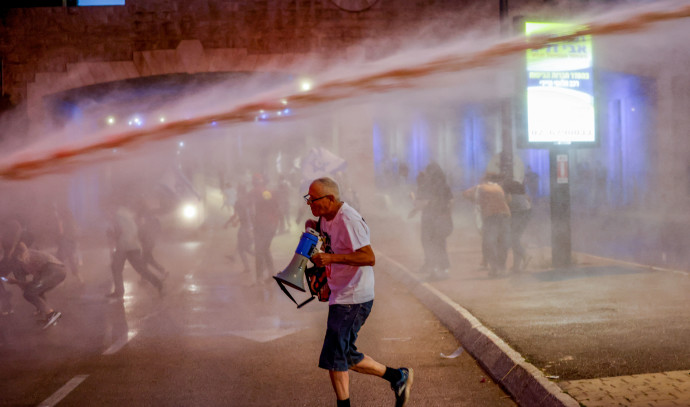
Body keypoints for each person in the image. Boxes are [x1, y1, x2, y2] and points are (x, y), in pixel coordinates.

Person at [305, 177, 413, 407]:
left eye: (313, 199)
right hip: (340, 294)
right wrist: (313, 231)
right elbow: (331, 243)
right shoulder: (325, 218)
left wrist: (331, 258)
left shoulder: (349, 220)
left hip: (354, 298)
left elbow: (368, 257)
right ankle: (398, 377)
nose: (309, 203)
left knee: (336, 356)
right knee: (343, 354)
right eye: (308, 198)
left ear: (330, 198)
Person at [2, 239, 66, 329]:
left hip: (53, 271)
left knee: (29, 293)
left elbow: (30, 285)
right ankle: (46, 314)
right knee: (35, 290)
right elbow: (34, 284)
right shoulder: (28, 255)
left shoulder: (25, 258)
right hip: (58, 271)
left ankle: (52, 314)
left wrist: (15, 282)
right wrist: (16, 282)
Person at [105, 203, 164, 299]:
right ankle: (158, 283)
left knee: (116, 268)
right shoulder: (127, 216)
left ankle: (119, 292)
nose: (107, 213)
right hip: (134, 245)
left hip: (123, 246)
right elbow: (136, 229)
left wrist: (112, 236)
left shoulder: (116, 217)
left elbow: (118, 231)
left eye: (107, 210)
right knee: (141, 269)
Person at [408, 162, 453, 280]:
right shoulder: (445, 185)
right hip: (442, 217)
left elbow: (423, 202)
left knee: (429, 242)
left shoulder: (427, 186)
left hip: (429, 219)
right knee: (440, 243)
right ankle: (443, 268)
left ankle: (434, 268)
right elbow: (450, 202)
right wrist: (447, 215)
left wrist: (416, 206)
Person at [462, 173, 511, 276]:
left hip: (491, 216)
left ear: (485, 179)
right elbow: (509, 199)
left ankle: (494, 268)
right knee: (502, 242)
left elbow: (466, 193)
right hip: (505, 215)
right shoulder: (499, 187)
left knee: (489, 242)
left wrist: (477, 201)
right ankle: (502, 268)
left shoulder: (480, 187)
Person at [503, 180, 532, 272]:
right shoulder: (523, 196)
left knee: (512, 239)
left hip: (517, 215)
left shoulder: (510, 197)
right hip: (526, 215)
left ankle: (525, 255)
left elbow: (506, 207)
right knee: (516, 239)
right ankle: (516, 266)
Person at [52, 203, 83, 285]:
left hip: (65, 242)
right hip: (71, 242)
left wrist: (59, 224)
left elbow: (61, 232)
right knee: (71, 260)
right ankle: (80, 279)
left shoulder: (62, 221)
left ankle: (60, 280)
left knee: (59, 261)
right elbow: (76, 232)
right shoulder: (72, 221)